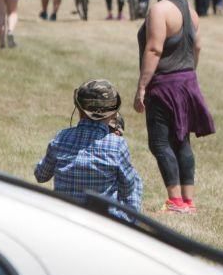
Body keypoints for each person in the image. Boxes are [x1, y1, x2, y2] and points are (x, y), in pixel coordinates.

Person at [134, 0, 215, 213]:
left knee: (160, 142)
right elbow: (198, 46)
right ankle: (188, 200)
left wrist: (142, 86)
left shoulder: (160, 10)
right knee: (182, 139)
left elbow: (155, 49)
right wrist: (190, 73)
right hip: (186, 79)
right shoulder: (190, 11)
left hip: (164, 83)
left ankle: (175, 200)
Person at [35, 79, 143, 220]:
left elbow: (41, 176)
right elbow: (128, 187)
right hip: (101, 221)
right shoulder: (117, 145)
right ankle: (128, 225)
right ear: (113, 113)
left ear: (78, 109)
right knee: (135, 179)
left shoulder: (61, 137)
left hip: (63, 218)